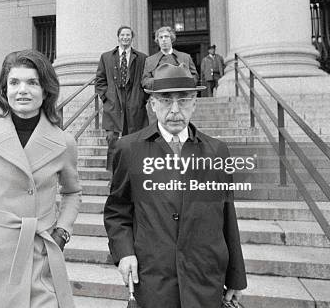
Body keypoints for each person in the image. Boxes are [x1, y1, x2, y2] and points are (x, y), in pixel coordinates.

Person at [104, 63, 247, 307]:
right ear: (152, 104)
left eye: (183, 101)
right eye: (166, 100)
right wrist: (124, 253)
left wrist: (236, 277)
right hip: (153, 279)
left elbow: (227, 216)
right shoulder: (128, 149)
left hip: (205, 278)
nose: (174, 110)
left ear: (195, 103)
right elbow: (117, 211)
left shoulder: (217, 151)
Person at [0, 50, 82, 308]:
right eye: (14, 83)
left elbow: (72, 192)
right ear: (5, 90)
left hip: (40, 256)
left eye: (32, 82)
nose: (22, 90)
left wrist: (62, 232)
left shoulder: (64, 143)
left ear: (45, 90)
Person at [95, 25, 148, 172]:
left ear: (132, 38)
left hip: (134, 102)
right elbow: (100, 79)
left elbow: (147, 79)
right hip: (113, 103)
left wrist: (142, 98)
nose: (125, 38)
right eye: (123, 35)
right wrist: (106, 96)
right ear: (118, 37)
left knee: (133, 139)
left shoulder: (142, 58)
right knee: (112, 139)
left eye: (128, 35)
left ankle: (133, 173)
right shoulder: (106, 57)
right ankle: (114, 175)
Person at [141, 26, 198, 91]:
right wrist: (161, 83)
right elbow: (145, 81)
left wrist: (182, 83)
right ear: (158, 40)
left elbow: (194, 77)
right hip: (159, 96)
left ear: (171, 39)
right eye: (161, 37)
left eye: (166, 36)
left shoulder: (185, 57)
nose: (163, 40)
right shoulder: (150, 60)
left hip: (182, 96)